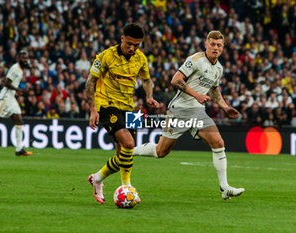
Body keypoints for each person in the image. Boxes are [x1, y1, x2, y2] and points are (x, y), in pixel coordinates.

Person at [133, 31, 245, 200]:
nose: (215, 48)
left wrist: (224, 106)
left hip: (198, 111)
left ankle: (224, 188)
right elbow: (175, 80)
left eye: (219, 45)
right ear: (206, 44)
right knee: (161, 151)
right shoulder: (196, 60)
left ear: (223, 48)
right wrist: (196, 95)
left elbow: (214, 90)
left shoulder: (218, 68)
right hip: (179, 110)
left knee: (218, 142)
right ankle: (129, 151)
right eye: (213, 44)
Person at [85, 23, 159, 204]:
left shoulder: (140, 58)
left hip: (130, 107)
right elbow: (90, 83)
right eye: (129, 44)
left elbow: (147, 80)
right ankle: (127, 187)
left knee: (126, 153)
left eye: (137, 45)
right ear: (122, 39)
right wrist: (93, 109)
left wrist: (149, 96)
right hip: (107, 105)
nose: (132, 48)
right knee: (129, 142)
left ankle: (97, 178)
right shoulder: (105, 56)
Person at [0, 51, 32, 156]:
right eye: (23, 58)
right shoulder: (15, 68)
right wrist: (18, 89)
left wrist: (16, 91)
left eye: (26, 58)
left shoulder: (21, 70)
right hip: (5, 98)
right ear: (18, 58)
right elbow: (6, 83)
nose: (25, 60)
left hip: (11, 98)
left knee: (19, 120)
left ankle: (19, 149)